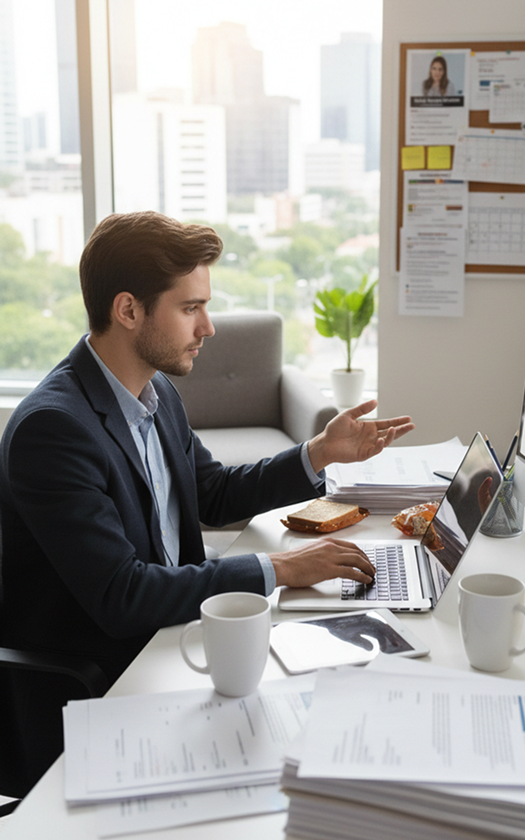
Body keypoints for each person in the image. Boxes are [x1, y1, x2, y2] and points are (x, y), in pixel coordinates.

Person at [0, 211, 414, 789]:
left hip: (174, 636)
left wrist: (318, 453)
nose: (209, 328)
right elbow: (123, 596)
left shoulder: (154, 390)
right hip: (104, 679)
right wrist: (280, 568)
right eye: (191, 308)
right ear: (128, 310)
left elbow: (212, 492)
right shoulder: (54, 430)